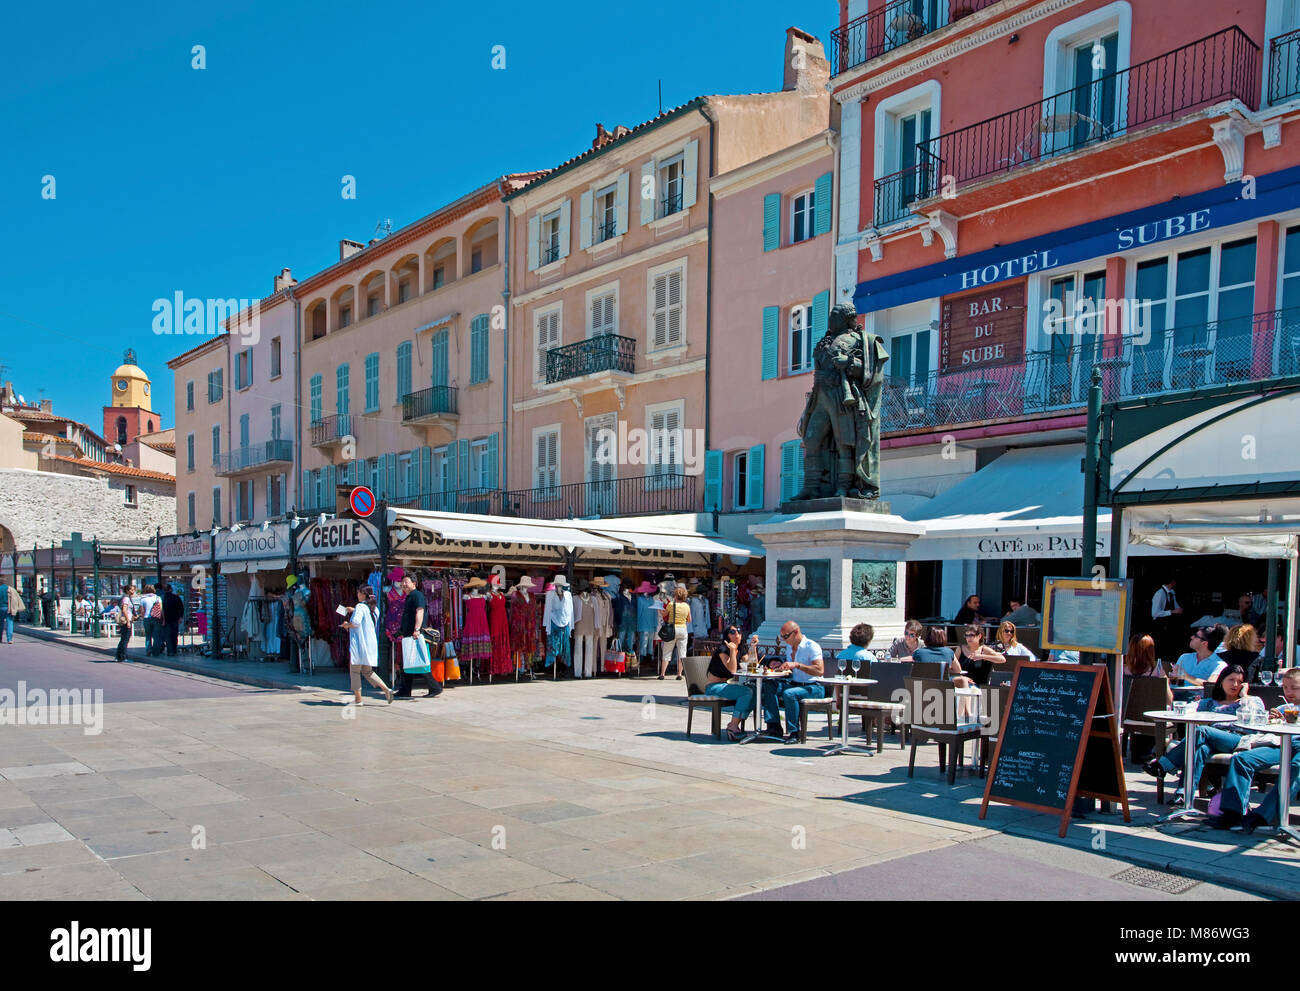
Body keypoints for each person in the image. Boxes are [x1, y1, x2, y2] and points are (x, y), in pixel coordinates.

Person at [1207, 667, 1300, 831]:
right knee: (1241, 759)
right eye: (1285, 687)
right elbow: (1263, 728)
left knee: (1296, 768)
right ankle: (1232, 814)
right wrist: (1272, 719)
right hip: (1281, 744)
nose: (1289, 691)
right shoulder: (1284, 708)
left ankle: (1261, 816)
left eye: (1294, 687)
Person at [1144, 663, 1254, 798]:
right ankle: (1183, 795)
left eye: (1240, 682)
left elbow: (1254, 720)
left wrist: (1245, 697)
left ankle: (1163, 765)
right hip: (1211, 740)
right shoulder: (1209, 703)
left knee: (1201, 731)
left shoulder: (1250, 701)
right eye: (1231, 680)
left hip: (1236, 739)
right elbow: (1185, 709)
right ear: (1221, 681)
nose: (1235, 685)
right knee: (1199, 749)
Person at [760, 621, 825, 742]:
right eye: (782, 637)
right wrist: (778, 666)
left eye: (786, 636)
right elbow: (790, 668)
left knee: (790, 694)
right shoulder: (789, 647)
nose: (784, 640)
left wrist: (797, 665)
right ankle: (773, 725)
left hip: (814, 687)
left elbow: (820, 670)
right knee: (769, 684)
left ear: (795, 633)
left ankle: (794, 732)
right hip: (795, 683)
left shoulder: (812, 646)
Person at [341, 585, 393, 705]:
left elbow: (356, 622)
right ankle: (386, 689)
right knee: (367, 671)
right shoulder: (374, 609)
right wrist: (353, 610)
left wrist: (346, 624)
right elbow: (366, 615)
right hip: (371, 644)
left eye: (358, 592)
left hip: (360, 644)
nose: (357, 595)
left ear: (363, 594)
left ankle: (358, 699)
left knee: (354, 671)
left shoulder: (360, 606)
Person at [708, 627, 758, 742]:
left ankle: (733, 724)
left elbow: (752, 665)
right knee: (746, 692)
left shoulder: (741, 649)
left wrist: (753, 648)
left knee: (756, 691)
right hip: (714, 687)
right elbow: (732, 670)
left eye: (739, 632)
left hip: (726, 686)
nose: (737, 634)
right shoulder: (723, 649)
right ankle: (734, 726)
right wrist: (731, 651)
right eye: (732, 632)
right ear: (727, 636)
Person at [396, 574, 440, 699]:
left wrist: (416, 629)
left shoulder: (417, 595)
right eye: (402, 582)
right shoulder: (410, 596)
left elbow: (420, 611)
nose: (403, 584)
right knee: (408, 662)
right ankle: (405, 690)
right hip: (409, 634)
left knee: (420, 662)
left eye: (406, 582)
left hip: (415, 634)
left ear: (414, 583)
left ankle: (435, 688)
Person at [659, 585, 691, 680]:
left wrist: (660, 609)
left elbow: (664, 614)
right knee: (682, 653)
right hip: (683, 630)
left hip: (672, 630)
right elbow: (689, 620)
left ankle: (662, 674)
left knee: (667, 651)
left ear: (676, 596)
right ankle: (679, 674)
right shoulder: (687, 606)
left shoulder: (671, 604)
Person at [1151, 577, 1183, 665]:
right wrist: (1172, 612)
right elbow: (1155, 613)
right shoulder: (1159, 594)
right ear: (1172, 582)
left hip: (1169, 626)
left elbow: (1175, 606)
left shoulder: (1172, 594)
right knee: (1160, 649)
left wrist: (1178, 609)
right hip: (1160, 627)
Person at [114, 584, 136, 662]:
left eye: (134, 590)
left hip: (128, 619)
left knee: (123, 639)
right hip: (126, 621)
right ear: (127, 590)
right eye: (132, 590)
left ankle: (118, 656)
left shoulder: (127, 598)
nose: (133, 591)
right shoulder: (126, 598)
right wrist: (128, 621)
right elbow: (124, 610)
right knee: (125, 639)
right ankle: (123, 656)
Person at [161, 583, 184, 656]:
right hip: (175, 619)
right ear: (171, 589)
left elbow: (161, 610)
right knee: (174, 635)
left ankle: (170, 650)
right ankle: (174, 650)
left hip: (166, 619)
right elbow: (181, 608)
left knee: (168, 635)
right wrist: (180, 617)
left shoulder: (162, 598)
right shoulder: (176, 597)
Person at [137, 584, 160, 657]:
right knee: (156, 635)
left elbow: (142, 610)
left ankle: (148, 650)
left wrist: (143, 617)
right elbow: (161, 609)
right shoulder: (157, 598)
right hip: (156, 618)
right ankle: (156, 651)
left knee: (148, 635)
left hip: (147, 618)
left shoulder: (143, 599)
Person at [0, 577, 11, 646]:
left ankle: (0, 638)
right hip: (9, 607)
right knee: (9, 622)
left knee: (0, 623)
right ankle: (9, 639)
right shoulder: (9, 589)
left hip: (1, 607)